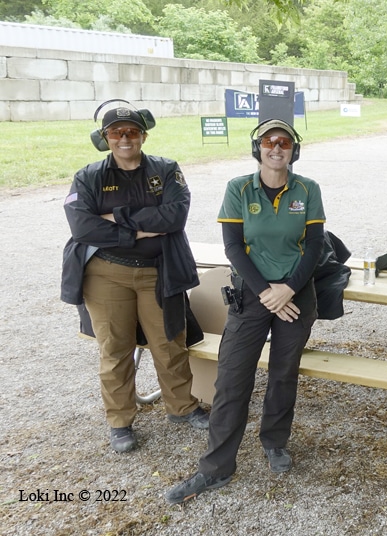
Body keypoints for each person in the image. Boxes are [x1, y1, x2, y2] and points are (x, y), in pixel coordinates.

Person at [165, 118, 325, 504]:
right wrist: (268, 293)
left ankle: (274, 442)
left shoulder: (308, 189)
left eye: (284, 142)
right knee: (232, 379)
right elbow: (233, 248)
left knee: (283, 374)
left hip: (296, 294)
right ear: (258, 148)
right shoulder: (238, 188)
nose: (276, 148)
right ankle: (216, 468)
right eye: (269, 141)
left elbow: (316, 246)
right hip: (252, 293)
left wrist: (286, 290)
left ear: (293, 150)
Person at [61, 101, 209, 454]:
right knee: (115, 348)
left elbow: (174, 217)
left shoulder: (166, 169)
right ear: (105, 138)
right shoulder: (89, 176)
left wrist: (115, 217)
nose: (124, 139)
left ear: (143, 135)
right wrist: (139, 232)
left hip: (159, 272)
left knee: (169, 341)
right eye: (116, 132)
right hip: (106, 274)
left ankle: (182, 407)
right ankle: (120, 421)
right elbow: (82, 224)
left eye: (131, 132)